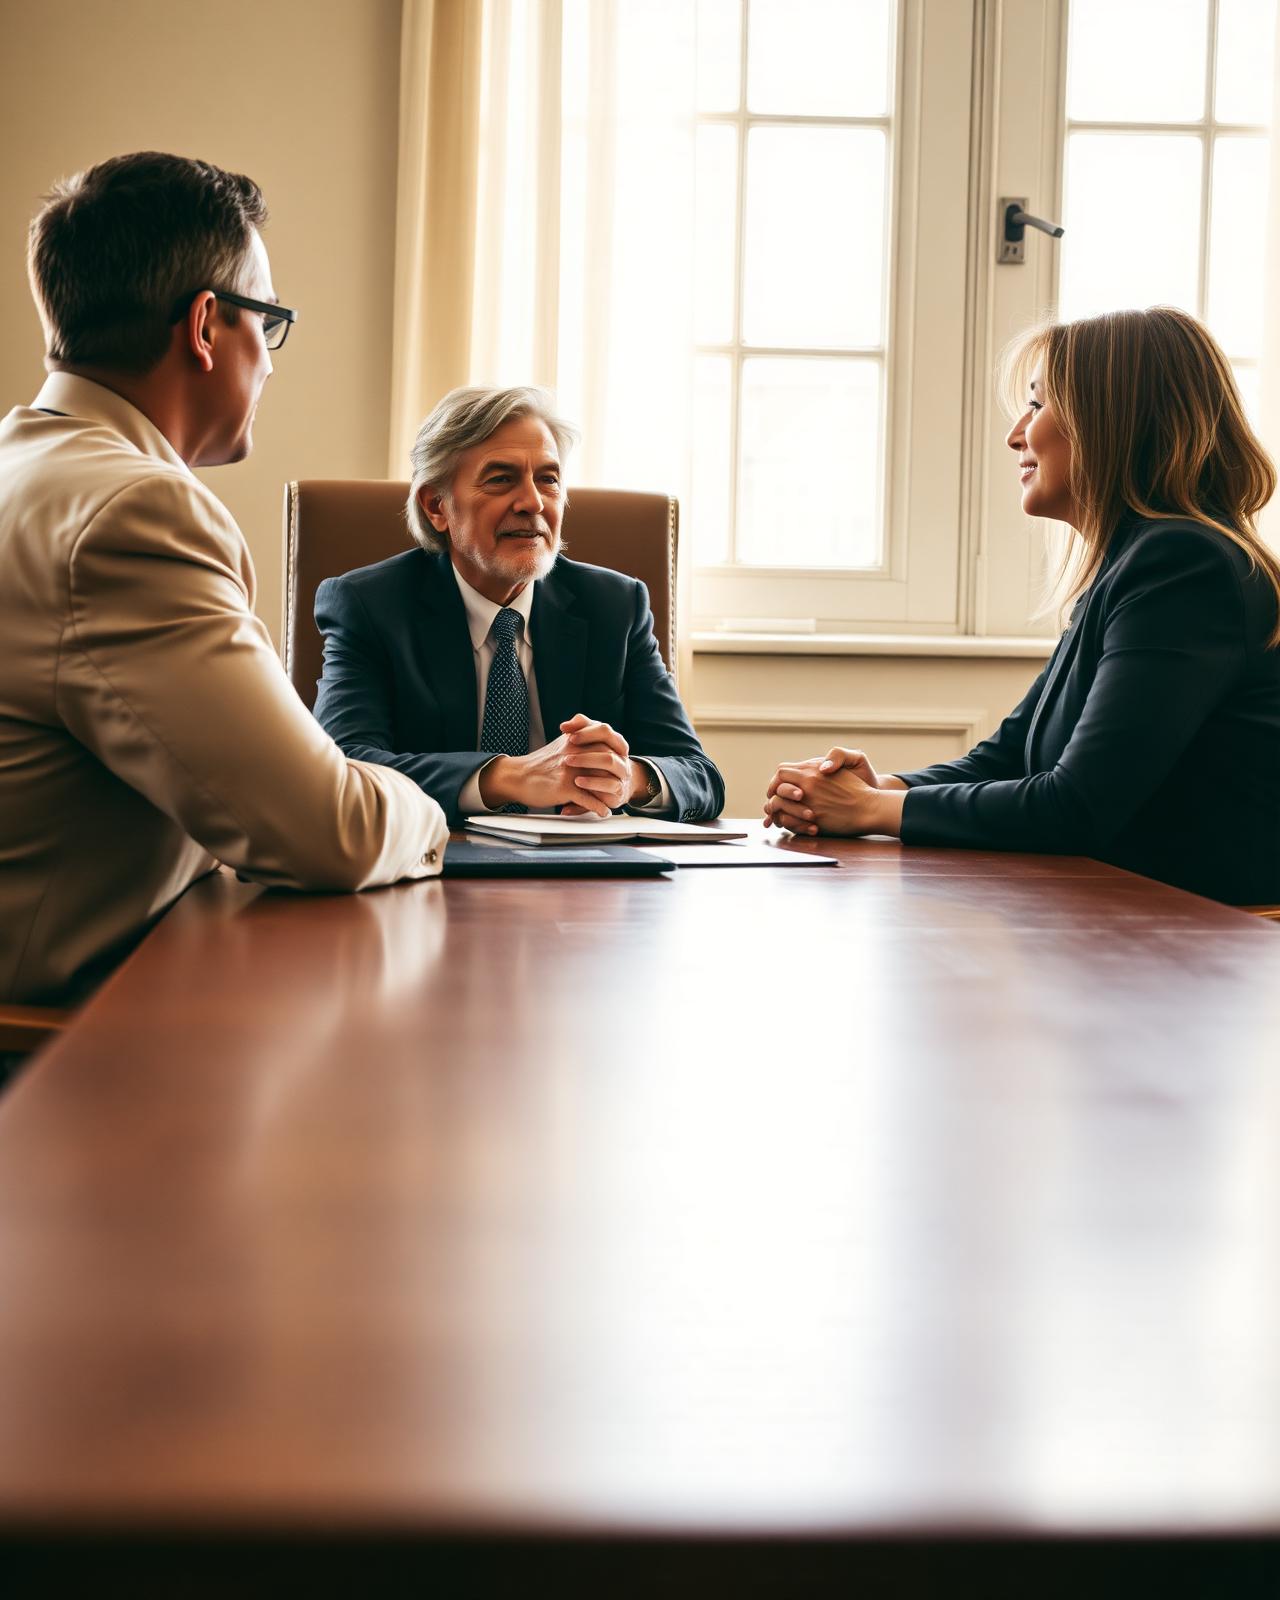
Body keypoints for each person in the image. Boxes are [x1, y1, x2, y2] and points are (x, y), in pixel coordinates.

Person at [0, 152, 448, 1008]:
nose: (271, 364)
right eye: (268, 322)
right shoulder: (133, 513)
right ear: (207, 326)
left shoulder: (26, 469)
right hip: (58, 1053)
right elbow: (328, 833)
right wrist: (431, 810)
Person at [763, 306, 1280, 906]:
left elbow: (1075, 805)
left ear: (1109, 421)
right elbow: (1009, 755)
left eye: (1037, 404)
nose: (1016, 434)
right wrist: (883, 786)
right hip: (1139, 920)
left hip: (1206, 943)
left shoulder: (1184, 565)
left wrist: (874, 809)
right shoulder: (1141, 561)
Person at [311, 385, 724, 825]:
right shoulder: (370, 605)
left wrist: (626, 778)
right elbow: (343, 769)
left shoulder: (615, 606)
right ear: (437, 506)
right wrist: (507, 777)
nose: (532, 503)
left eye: (548, 479)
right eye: (501, 479)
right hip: (436, 865)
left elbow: (700, 776)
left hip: (586, 876)